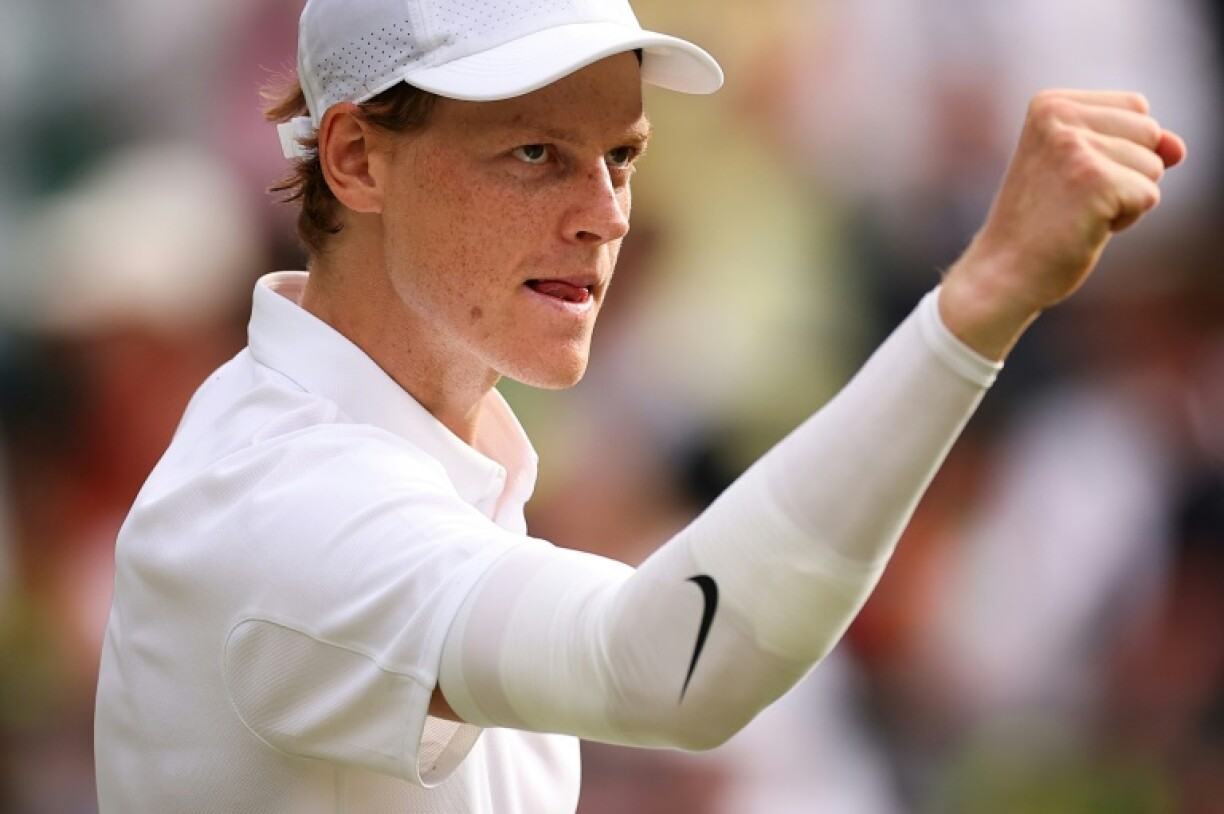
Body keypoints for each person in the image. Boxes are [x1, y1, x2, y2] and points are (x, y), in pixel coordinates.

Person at [92, 0, 1186, 811]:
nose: (604, 215)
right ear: (356, 157)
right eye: (536, 153)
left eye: (620, 157)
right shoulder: (286, 496)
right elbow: (668, 665)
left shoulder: (407, 461)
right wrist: (980, 301)